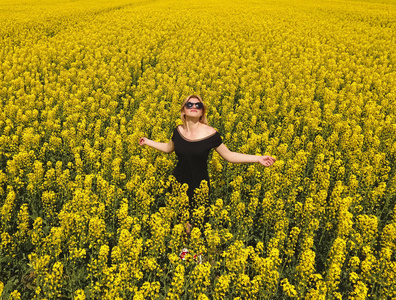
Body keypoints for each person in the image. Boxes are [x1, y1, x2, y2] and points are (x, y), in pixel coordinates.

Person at [139, 95, 276, 233]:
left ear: (202, 111)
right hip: (177, 182)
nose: (194, 107)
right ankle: (182, 253)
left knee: (196, 225)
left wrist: (258, 158)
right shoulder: (178, 131)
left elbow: (229, 155)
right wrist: (147, 141)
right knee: (178, 223)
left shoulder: (211, 134)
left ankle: (196, 254)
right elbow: (168, 148)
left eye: (198, 105)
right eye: (189, 104)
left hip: (199, 185)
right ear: (183, 110)